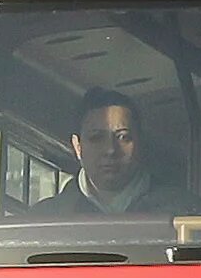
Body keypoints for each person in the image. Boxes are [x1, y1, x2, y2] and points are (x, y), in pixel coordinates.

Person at [30, 88, 157, 218]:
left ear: (140, 141)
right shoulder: (44, 218)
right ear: (77, 146)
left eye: (123, 137)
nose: (110, 150)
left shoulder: (176, 210)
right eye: (96, 138)